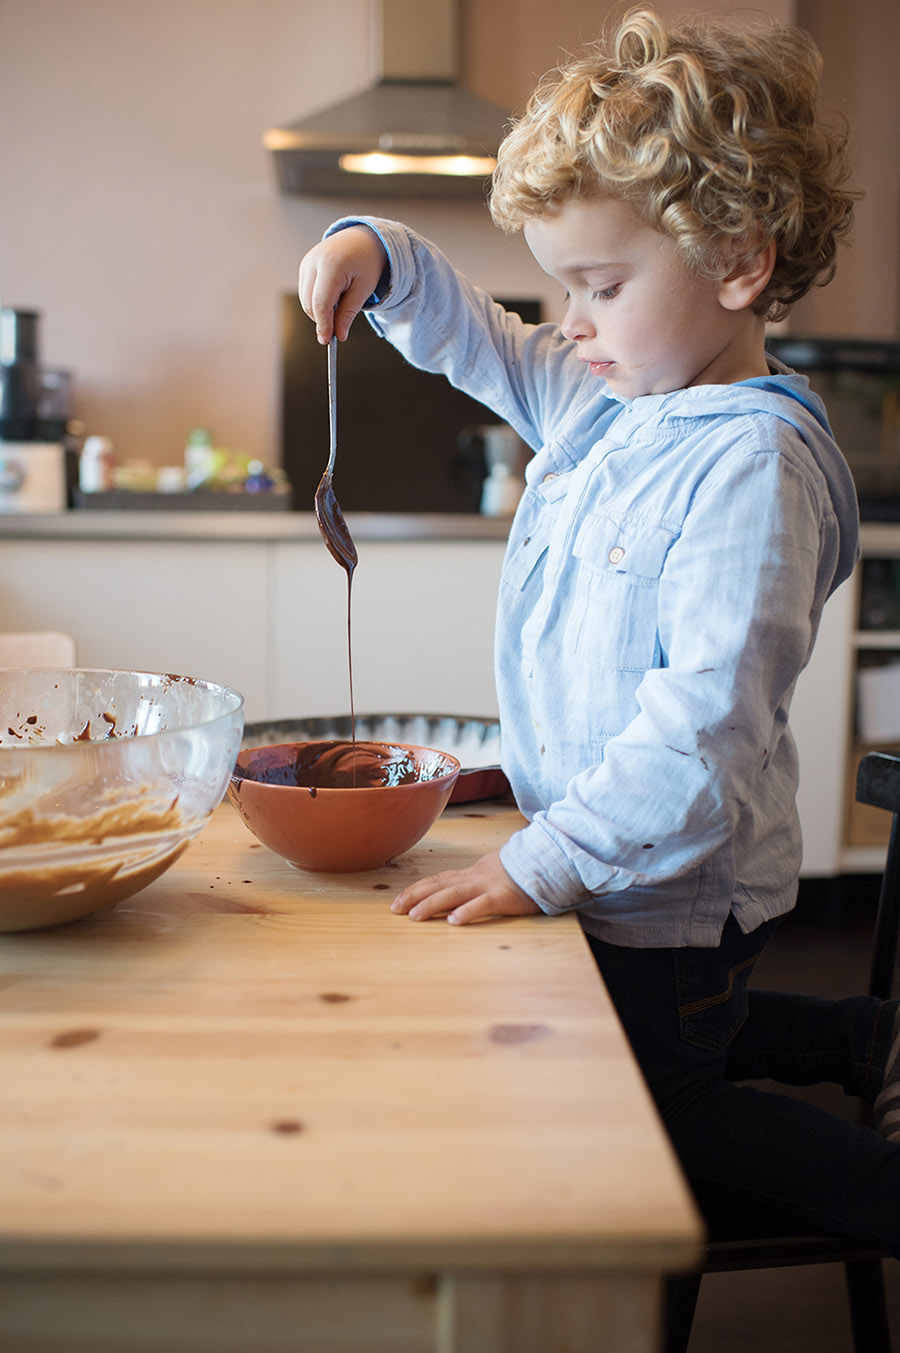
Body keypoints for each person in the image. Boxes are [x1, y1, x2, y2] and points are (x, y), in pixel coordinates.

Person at [299, 7, 900, 1252]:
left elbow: (699, 738)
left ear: (739, 263)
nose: (568, 323)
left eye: (602, 287)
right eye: (564, 287)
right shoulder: (617, 398)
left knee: (653, 1100)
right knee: (663, 1021)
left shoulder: (749, 469)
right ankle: (861, 1035)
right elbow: (482, 339)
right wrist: (380, 250)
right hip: (610, 863)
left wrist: (534, 863)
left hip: (665, 886)